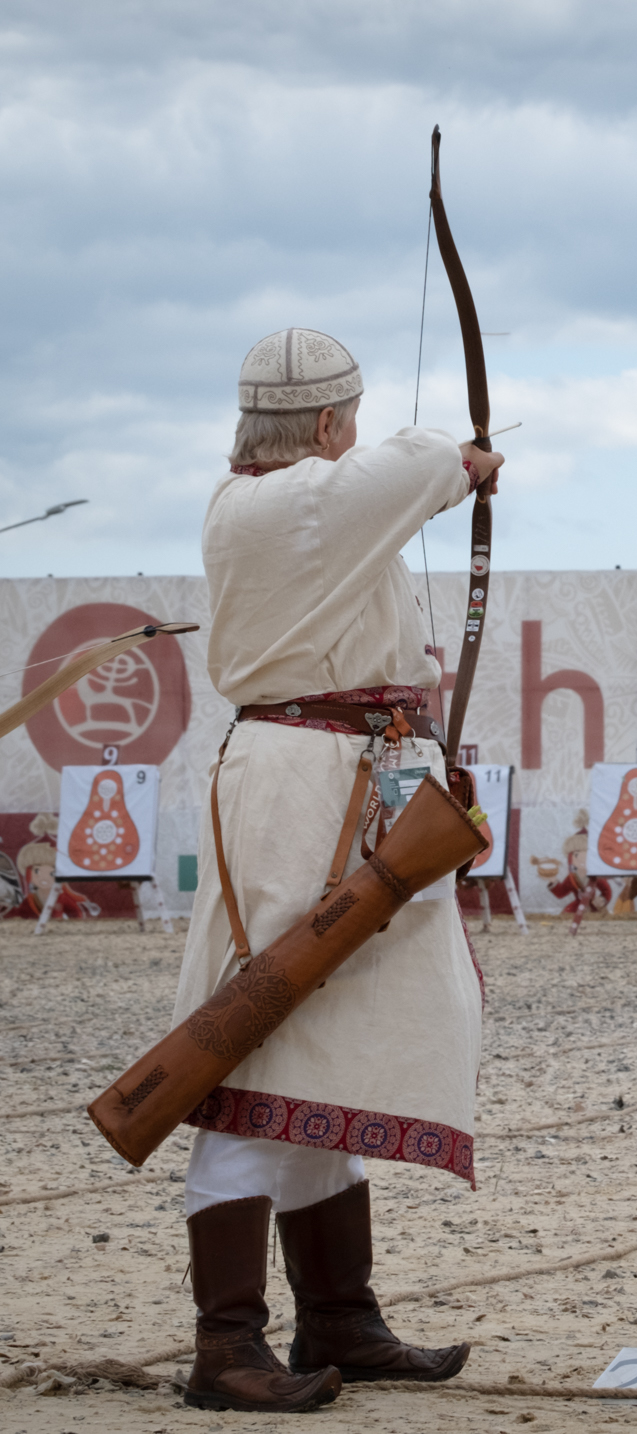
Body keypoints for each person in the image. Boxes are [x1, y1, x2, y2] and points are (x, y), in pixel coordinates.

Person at [170, 328, 503, 1413]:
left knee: (324, 1047)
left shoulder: (298, 509)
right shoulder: (288, 502)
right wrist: (465, 463)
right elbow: (416, 463)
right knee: (259, 1034)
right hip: (299, 787)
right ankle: (227, 1344)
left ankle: (341, 1320)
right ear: (325, 425)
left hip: (341, 780)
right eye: (344, 418)